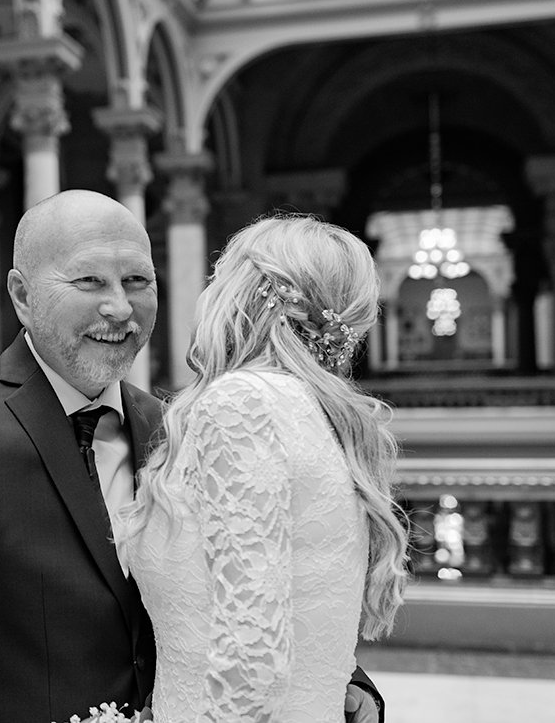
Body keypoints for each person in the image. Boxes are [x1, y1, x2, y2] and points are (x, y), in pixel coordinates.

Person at [0, 191, 382, 723]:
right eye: (89, 281)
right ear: (22, 295)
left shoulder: (174, 425)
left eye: (138, 281)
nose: (119, 308)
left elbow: (248, 586)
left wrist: (343, 685)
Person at [120, 213, 410, 722]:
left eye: (220, 276)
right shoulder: (318, 412)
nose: (207, 292)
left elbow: (251, 663)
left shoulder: (242, 405)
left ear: (251, 295)